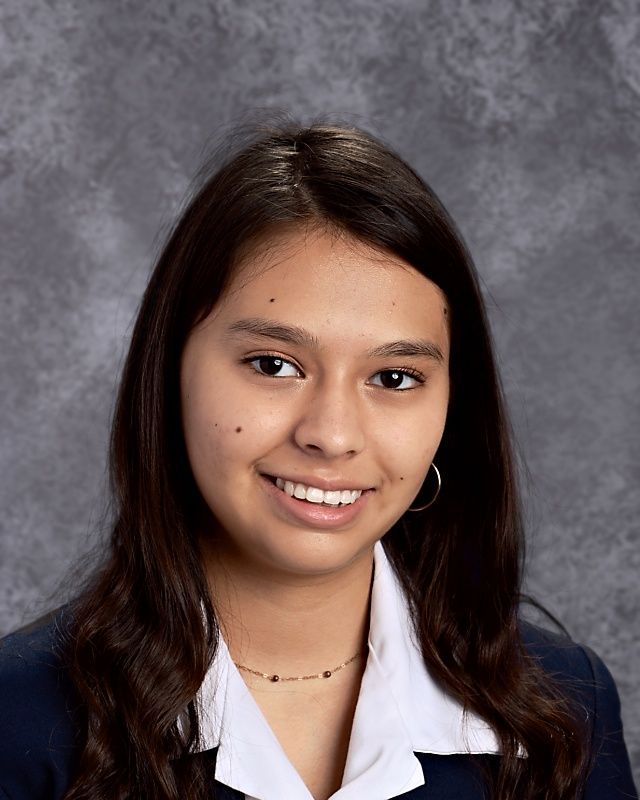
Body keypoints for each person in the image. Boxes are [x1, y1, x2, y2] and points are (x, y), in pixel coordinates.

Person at [0, 123, 636, 800]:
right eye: (274, 365)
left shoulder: (564, 709)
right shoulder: (19, 718)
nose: (332, 436)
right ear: (170, 374)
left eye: (393, 378)